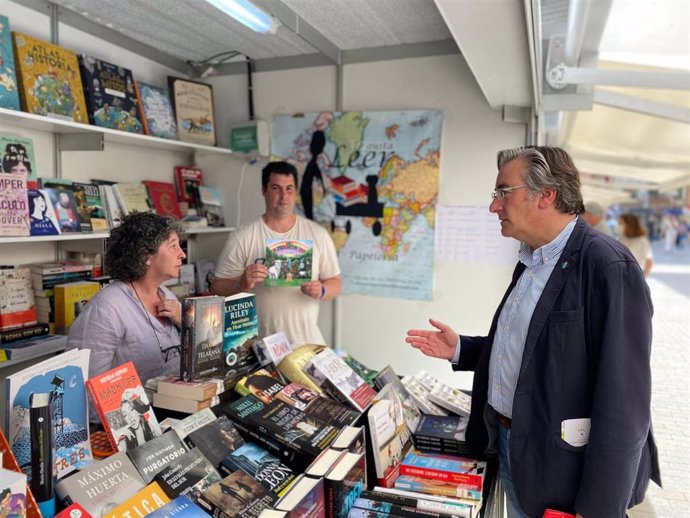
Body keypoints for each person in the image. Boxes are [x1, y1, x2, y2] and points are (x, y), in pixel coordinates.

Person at [406, 147, 659, 518]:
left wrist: (598, 509)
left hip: (562, 474)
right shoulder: (532, 258)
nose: (494, 207)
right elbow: (535, 352)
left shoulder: (607, 266)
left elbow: (624, 405)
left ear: (547, 195)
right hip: (510, 446)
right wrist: (462, 349)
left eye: (502, 192)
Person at [212, 161, 342, 345]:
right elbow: (217, 288)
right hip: (258, 347)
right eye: (276, 188)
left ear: (295, 191)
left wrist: (321, 290)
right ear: (263, 190)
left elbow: (336, 283)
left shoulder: (317, 234)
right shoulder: (243, 237)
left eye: (289, 189)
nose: (283, 196)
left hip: (307, 344)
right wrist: (242, 284)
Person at [67, 212, 185, 385]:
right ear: (145, 256)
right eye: (173, 246)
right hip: (136, 410)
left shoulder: (167, 295)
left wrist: (184, 320)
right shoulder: (105, 309)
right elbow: (88, 387)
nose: (182, 254)